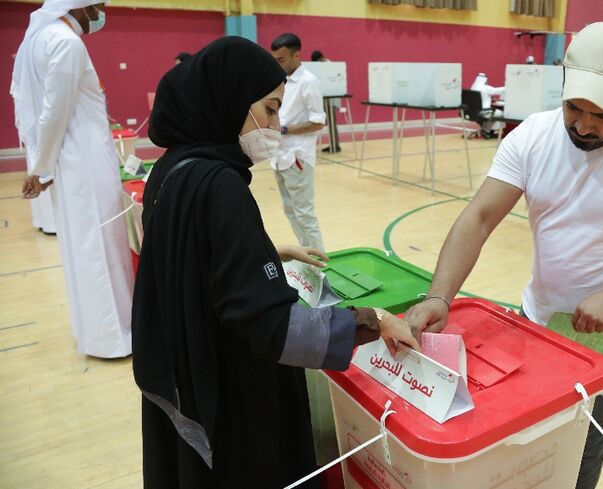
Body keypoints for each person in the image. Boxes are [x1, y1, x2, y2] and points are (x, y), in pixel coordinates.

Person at [404, 22, 603, 489]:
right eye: (574, 106)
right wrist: (439, 297)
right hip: (535, 318)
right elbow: (480, 217)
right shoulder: (532, 135)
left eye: (601, 114)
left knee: (581, 455)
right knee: (527, 444)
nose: (584, 126)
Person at [132, 36, 421, 489]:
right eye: (268, 109)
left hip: (185, 369)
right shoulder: (220, 185)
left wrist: (270, 251)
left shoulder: (171, 169)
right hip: (232, 392)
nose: (274, 125)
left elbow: (192, 256)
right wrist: (372, 319)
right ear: (230, 99)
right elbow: (271, 327)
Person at [12, 0, 133, 358]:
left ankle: (101, 334)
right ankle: (116, 336)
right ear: (82, 5)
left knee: (86, 248)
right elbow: (53, 113)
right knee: (101, 248)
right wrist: (41, 168)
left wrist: (42, 164)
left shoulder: (41, 37)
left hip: (71, 160)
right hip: (84, 161)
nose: (100, 12)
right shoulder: (66, 43)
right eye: (98, 5)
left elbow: (35, 109)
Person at [270, 32, 326, 251]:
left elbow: (318, 121)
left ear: (296, 56)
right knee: (291, 212)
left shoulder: (308, 82)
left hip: (298, 157)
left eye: (281, 60)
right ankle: (308, 256)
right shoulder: (281, 81)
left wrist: (283, 129)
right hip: (279, 156)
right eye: (275, 60)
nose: (277, 64)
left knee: (304, 214)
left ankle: (320, 265)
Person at [310, 49, 342, 153]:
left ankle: (335, 146)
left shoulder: (331, 66)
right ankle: (333, 145)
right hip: (324, 99)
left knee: (332, 123)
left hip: (331, 100)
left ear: (320, 58)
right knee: (328, 123)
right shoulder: (323, 67)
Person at [469, 72, 506, 138]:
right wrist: (508, 86)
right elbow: (497, 91)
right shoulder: (485, 88)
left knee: (490, 114)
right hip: (484, 112)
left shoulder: (473, 87)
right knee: (501, 113)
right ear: (485, 80)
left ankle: (484, 129)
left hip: (473, 112)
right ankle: (487, 131)